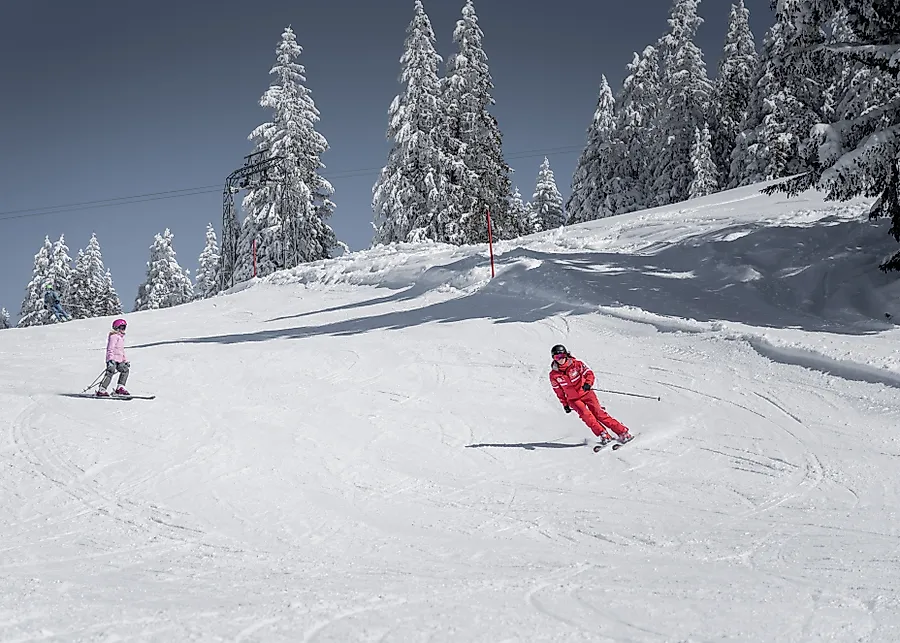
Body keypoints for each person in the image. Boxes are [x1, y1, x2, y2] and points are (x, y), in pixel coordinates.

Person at [549, 343, 633, 446]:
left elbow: (589, 373)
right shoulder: (554, 375)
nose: (560, 359)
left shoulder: (577, 364)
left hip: (586, 393)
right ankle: (603, 434)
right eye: (556, 357)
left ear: (566, 355)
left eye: (561, 356)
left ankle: (622, 431)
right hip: (573, 399)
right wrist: (565, 404)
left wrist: (588, 383)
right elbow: (558, 391)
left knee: (599, 413)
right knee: (586, 416)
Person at [96, 318, 131, 397]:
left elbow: (122, 351)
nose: (123, 329)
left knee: (125, 370)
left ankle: (120, 388)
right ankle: (102, 390)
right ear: (116, 328)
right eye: (121, 327)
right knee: (110, 373)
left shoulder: (121, 337)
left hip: (120, 360)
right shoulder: (114, 336)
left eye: (124, 327)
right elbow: (110, 349)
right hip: (112, 360)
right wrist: (110, 360)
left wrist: (125, 360)